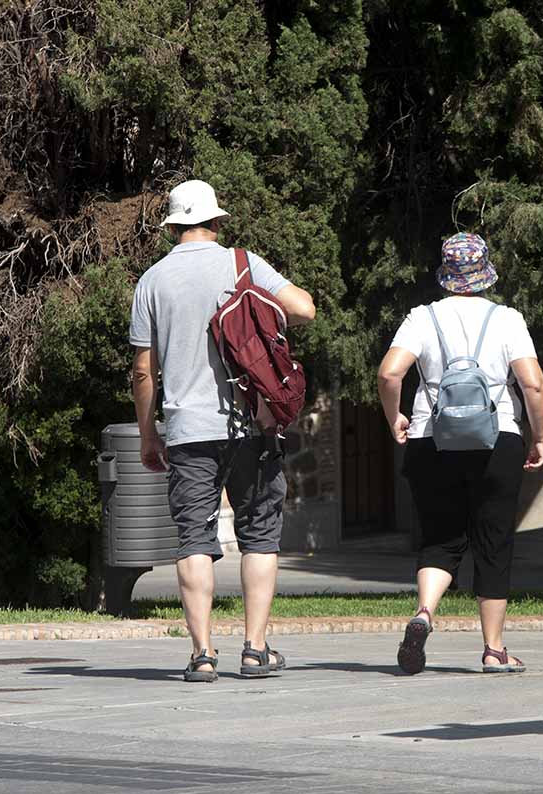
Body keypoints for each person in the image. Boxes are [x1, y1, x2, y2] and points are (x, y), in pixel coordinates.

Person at [129, 179, 316, 682]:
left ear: (172, 225)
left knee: (193, 537)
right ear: (215, 220)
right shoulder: (243, 263)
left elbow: (144, 371)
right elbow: (305, 308)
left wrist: (149, 434)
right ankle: (255, 649)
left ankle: (202, 654)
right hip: (251, 421)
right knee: (260, 535)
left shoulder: (151, 281)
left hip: (188, 429)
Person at [377, 232, 543, 674]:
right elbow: (532, 383)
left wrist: (395, 416)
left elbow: (389, 373)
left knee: (440, 537)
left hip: (430, 439)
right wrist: (539, 435)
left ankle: (424, 614)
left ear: (446, 275)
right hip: (498, 441)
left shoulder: (421, 317)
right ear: (485, 273)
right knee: (493, 542)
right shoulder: (507, 319)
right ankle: (494, 650)